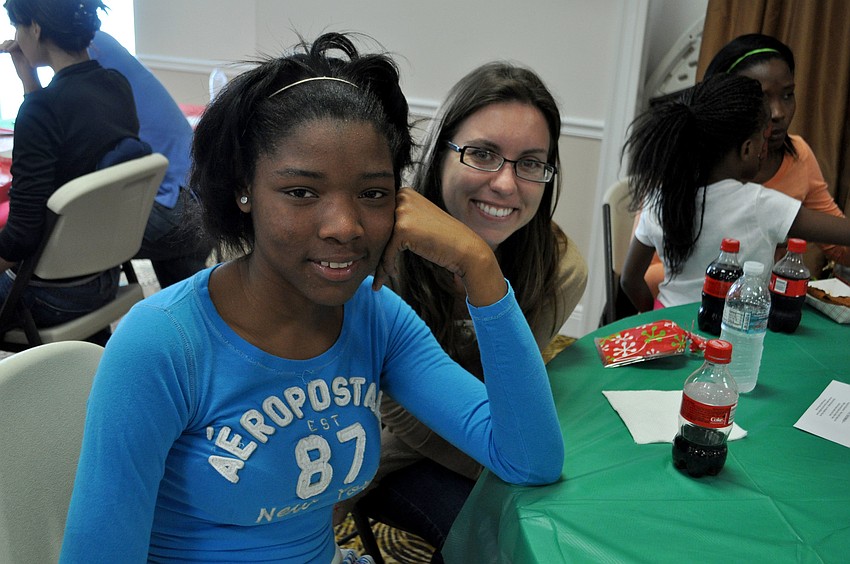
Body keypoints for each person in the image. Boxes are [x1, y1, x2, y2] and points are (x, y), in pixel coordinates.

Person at [59, 32, 564, 563]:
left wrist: (479, 268)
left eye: (373, 194)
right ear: (244, 190)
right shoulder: (163, 344)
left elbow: (529, 459)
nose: (345, 227)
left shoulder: (377, 319)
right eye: (302, 192)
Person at [346, 61, 587, 559]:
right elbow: (405, 421)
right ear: (439, 153)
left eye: (530, 163)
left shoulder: (558, 267)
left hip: (485, 436)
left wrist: (516, 450)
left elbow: (511, 394)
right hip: (383, 446)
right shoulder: (382, 250)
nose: (504, 184)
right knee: (500, 536)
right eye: (482, 154)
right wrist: (508, 461)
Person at [642, 33, 850, 298]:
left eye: (787, 95)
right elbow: (651, 271)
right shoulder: (682, 158)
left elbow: (841, 247)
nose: (778, 113)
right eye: (761, 98)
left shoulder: (799, 156)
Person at [0, 0, 139, 329]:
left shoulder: (42, 110)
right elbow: (73, 150)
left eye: (17, 27)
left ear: (34, 28)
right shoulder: (116, 85)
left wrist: (33, 100)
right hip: (104, 277)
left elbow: (21, 237)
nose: (16, 37)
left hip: (49, 295)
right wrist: (29, 83)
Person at [88, 30, 212, 288]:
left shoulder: (89, 64)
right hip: (199, 195)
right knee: (188, 293)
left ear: (36, 28)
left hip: (178, 210)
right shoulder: (102, 46)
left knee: (62, 237)